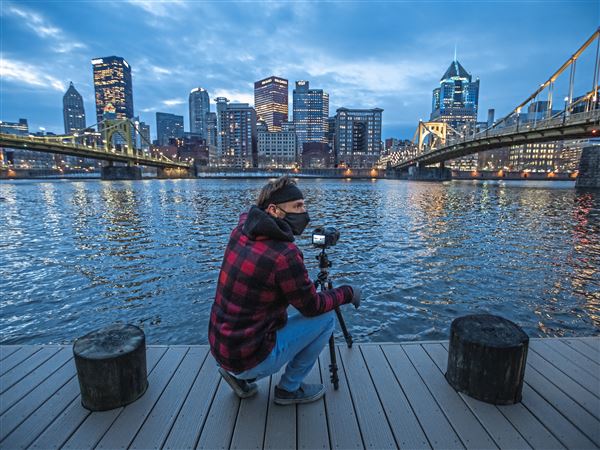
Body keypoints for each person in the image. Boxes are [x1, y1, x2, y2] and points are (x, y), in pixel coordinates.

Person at [208, 176, 361, 405]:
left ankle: (237, 377)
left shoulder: (241, 229)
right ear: (274, 210)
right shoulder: (284, 255)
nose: (304, 212)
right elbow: (312, 307)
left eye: (304, 205)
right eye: (297, 207)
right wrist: (347, 293)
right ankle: (289, 389)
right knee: (326, 319)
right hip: (249, 358)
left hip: (222, 348)